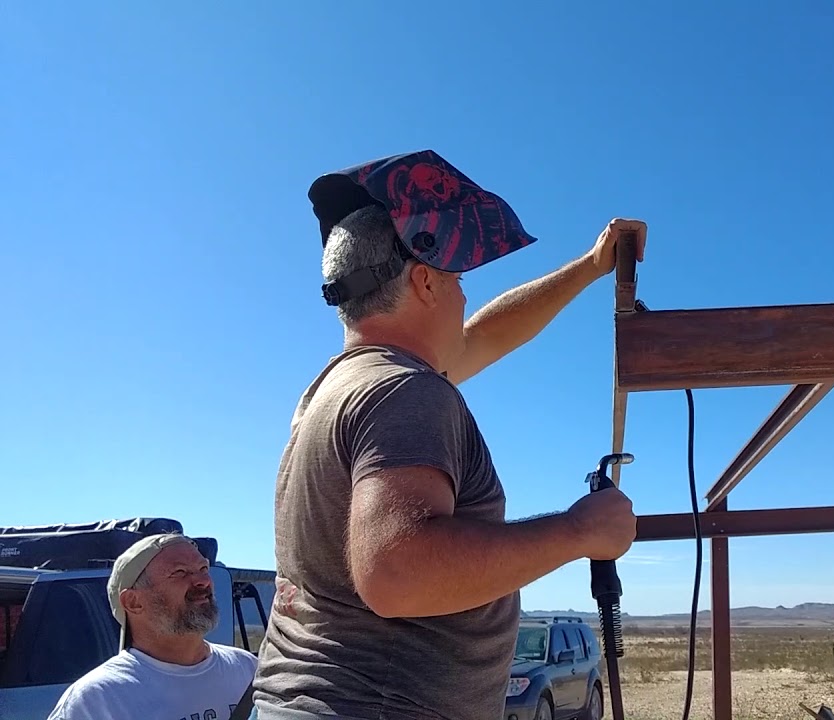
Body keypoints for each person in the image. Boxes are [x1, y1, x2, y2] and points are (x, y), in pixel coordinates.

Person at [251, 150, 641, 720]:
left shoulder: (339, 388)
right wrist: (578, 531)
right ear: (425, 281)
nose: (464, 297)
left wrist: (589, 265)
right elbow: (397, 573)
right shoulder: (405, 392)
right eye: (458, 279)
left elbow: (486, 336)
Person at [47, 533, 258, 720]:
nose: (203, 581)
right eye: (180, 572)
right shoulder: (96, 700)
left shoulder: (247, 668)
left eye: (203, 568)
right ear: (133, 602)